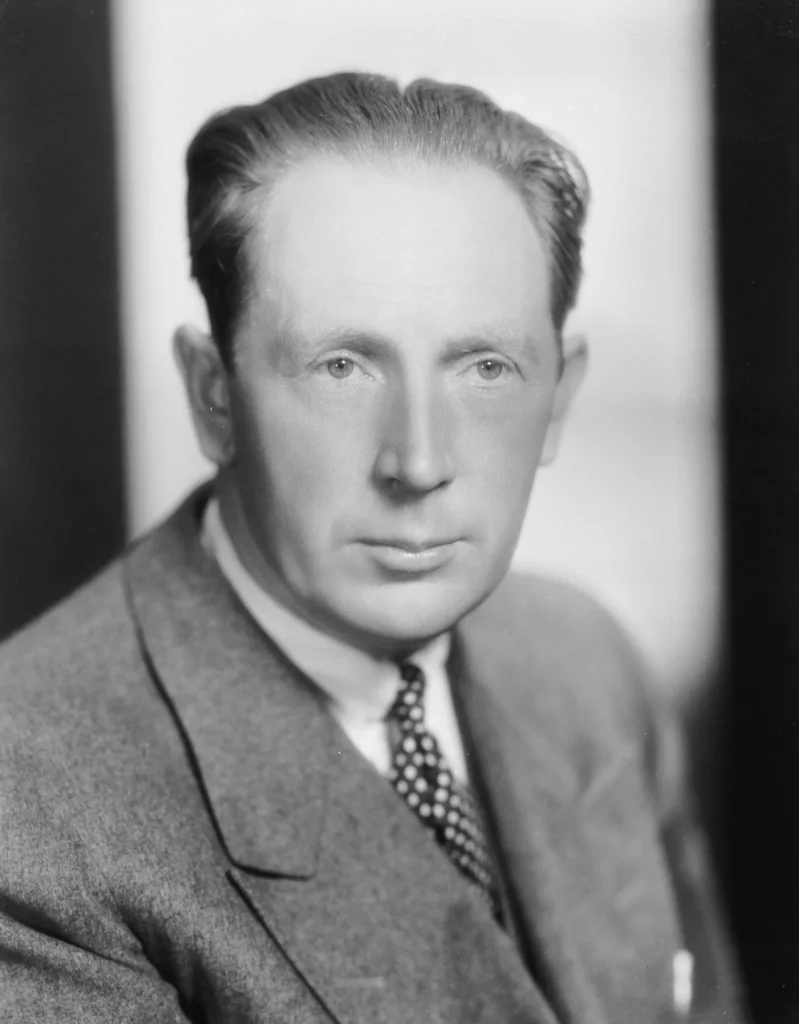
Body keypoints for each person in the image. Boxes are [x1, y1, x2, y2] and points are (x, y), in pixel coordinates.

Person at [0, 72, 744, 1023]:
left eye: (485, 367)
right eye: (341, 365)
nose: (418, 460)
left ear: (557, 398)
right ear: (212, 395)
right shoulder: (31, 811)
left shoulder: (582, 658)